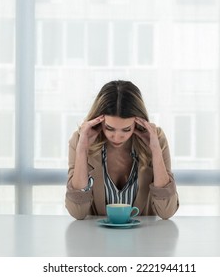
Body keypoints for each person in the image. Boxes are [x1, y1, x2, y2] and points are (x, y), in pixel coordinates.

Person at [65, 80, 179, 220]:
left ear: (137, 122)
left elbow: (167, 212)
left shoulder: (156, 139)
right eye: (109, 128)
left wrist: (155, 151)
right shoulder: (80, 140)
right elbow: (77, 212)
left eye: (126, 129)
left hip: (144, 238)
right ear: (99, 121)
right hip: (96, 238)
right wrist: (82, 150)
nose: (117, 137)